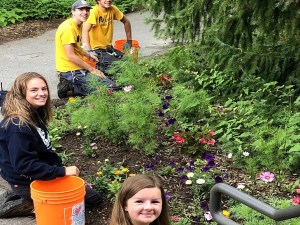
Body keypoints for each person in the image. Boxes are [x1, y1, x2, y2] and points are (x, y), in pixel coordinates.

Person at [0, 72, 103, 218]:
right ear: (22, 93)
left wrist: (64, 174)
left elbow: (47, 152)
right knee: (92, 199)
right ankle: (25, 203)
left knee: (87, 194)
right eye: (34, 90)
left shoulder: (33, 114)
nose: (42, 94)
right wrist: (61, 172)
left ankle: (24, 195)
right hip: (26, 179)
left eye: (44, 89)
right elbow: (24, 165)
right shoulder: (17, 126)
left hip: (37, 174)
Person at [56, 0, 118, 99]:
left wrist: (88, 55)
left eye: (87, 10)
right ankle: (71, 87)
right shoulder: (68, 28)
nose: (85, 12)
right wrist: (92, 70)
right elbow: (71, 56)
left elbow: (77, 47)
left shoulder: (77, 25)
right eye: (81, 9)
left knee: (107, 82)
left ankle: (73, 85)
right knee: (110, 88)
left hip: (76, 68)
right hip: (71, 70)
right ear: (73, 11)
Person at [82, 0, 133, 74]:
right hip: (96, 50)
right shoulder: (93, 11)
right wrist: (89, 51)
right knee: (119, 67)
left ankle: (104, 72)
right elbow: (84, 31)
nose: (108, 0)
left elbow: (126, 21)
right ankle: (101, 75)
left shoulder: (113, 9)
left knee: (128, 62)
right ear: (98, 0)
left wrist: (129, 41)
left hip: (108, 49)